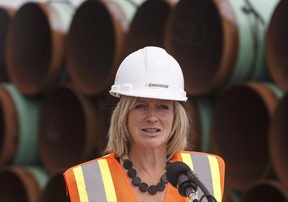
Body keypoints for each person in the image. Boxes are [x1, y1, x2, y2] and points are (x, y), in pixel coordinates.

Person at [63, 46, 225, 202]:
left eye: (163, 107)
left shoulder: (207, 170)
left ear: (176, 116)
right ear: (124, 115)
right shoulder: (88, 181)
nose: (152, 117)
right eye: (140, 106)